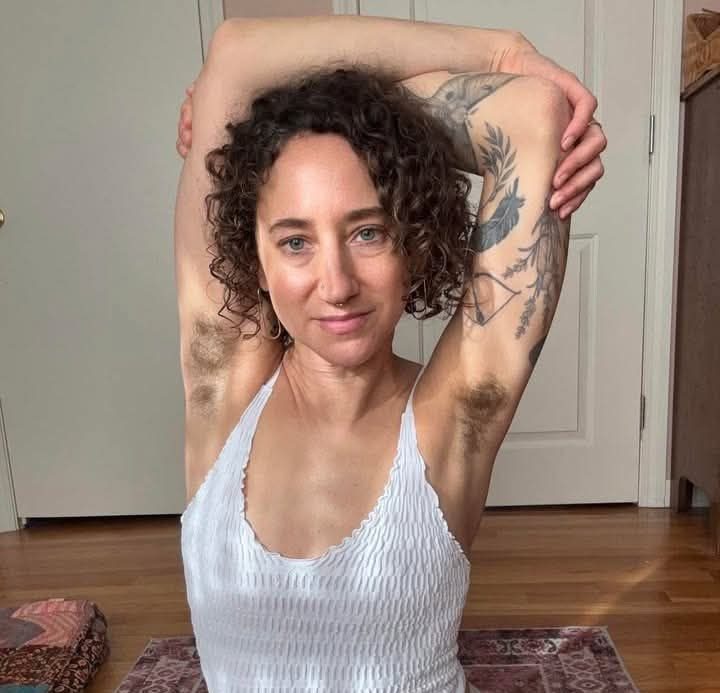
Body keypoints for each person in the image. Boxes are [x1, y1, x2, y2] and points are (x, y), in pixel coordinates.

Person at [173, 15, 606, 693]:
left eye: (368, 231)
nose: (336, 284)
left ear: (414, 239)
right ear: (254, 259)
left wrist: (347, 113)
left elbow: (533, 119)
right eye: (295, 242)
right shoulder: (221, 385)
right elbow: (234, 56)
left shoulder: (454, 415)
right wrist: (493, 53)